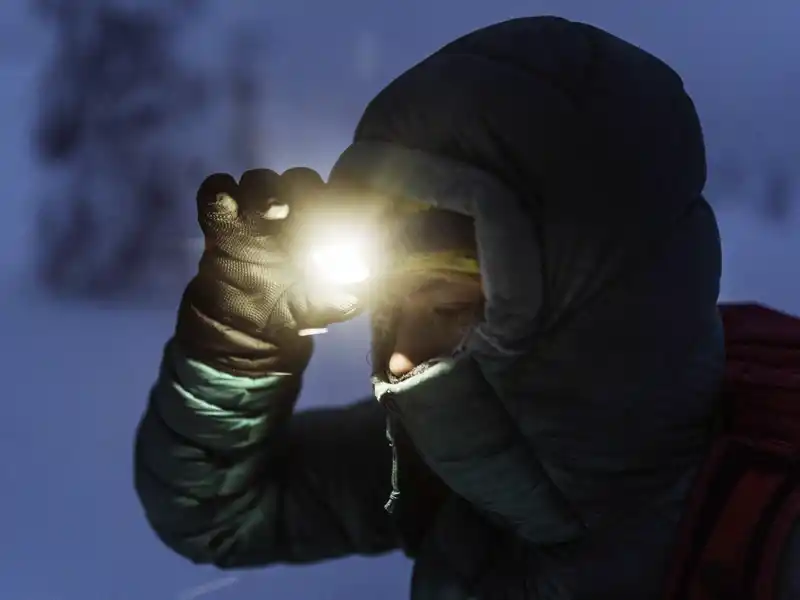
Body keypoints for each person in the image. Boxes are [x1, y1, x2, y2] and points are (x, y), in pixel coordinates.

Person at [134, 16, 726, 598]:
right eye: (391, 306)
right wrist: (238, 336)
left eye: (448, 308)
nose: (396, 360)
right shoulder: (452, 461)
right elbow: (217, 515)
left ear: (584, 317)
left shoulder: (767, 544)